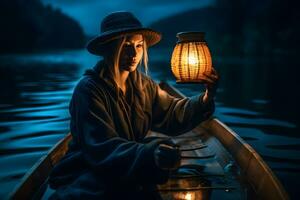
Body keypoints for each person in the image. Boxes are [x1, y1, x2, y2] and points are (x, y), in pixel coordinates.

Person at [48, 11, 219, 200]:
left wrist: (206, 97)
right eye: (126, 46)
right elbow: (103, 148)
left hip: (128, 161)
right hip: (89, 167)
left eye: (139, 46)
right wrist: (150, 154)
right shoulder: (88, 90)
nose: (134, 54)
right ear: (109, 49)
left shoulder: (144, 85)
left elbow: (171, 113)